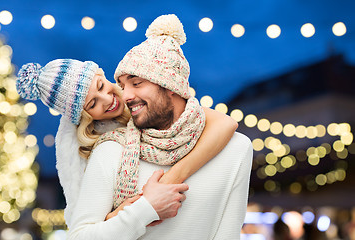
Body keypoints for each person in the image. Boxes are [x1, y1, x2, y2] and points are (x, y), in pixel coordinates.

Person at [67, 14, 253, 239]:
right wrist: (145, 209)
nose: (125, 96)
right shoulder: (112, 150)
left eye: (136, 83)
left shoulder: (236, 149)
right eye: (123, 86)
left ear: (170, 85)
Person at [16, 58, 237, 224]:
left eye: (101, 86)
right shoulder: (100, 148)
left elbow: (226, 124)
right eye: (92, 104)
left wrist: (170, 180)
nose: (108, 100)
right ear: (84, 117)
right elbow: (91, 224)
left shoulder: (146, 104)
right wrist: (125, 212)